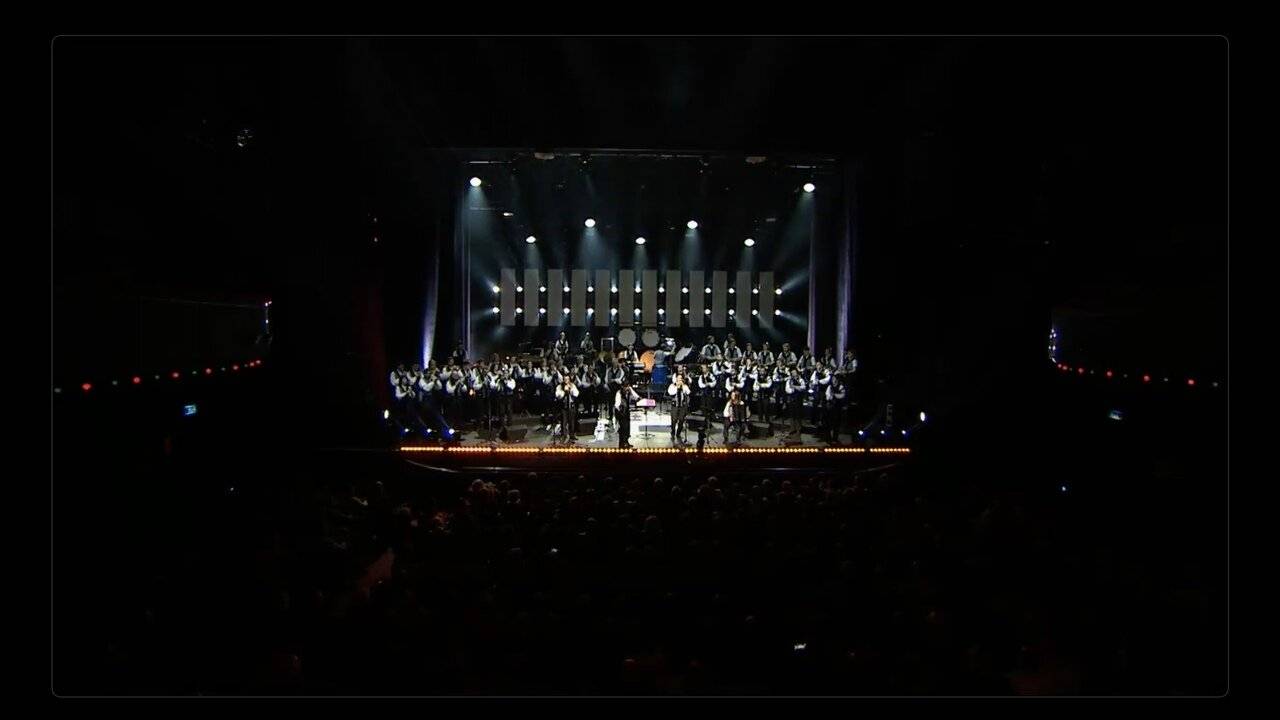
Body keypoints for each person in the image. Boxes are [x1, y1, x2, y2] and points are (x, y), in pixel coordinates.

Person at [667, 370, 693, 444]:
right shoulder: (672, 386)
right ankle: (673, 431)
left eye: (680, 379)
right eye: (678, 379)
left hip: (682, 406)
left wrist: (684, 387)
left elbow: (689, 392)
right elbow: (670, 393)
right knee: (674, 420)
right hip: (675, 405)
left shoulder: (684, 386)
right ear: (676, 379)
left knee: (681, 420)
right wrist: (677, 387)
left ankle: (678, 433)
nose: (679, 380)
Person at [614, 380, 641, 449]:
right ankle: (621, 444)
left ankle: (626, 442)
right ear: (622, 386)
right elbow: (617, 405)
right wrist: (620, 413)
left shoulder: (629, 390)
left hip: (626, 411)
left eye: (628, 386)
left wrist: (633, 393)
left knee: (627, 428)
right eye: (625, 386)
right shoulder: (619, 393)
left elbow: (636, 397)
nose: (627, 388)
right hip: (620, 412)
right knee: (623, 428)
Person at [554, 374, 580, 442]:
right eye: (565, 379)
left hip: (571, 405)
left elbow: (576, 394)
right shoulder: (559, 386)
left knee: (572, 422)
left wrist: (571, 389)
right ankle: (564, 435)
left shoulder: (572, 385)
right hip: (564, 406)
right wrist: (564, 391)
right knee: (564, 422)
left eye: (567, 379)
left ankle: (572, 435)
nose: (566, 381)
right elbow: (557, 395)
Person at [785, 368, 808, 437]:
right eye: (792, 373)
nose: (793, 374)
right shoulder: (789, 380)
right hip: (792, 399)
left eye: (795, 372)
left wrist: (794, 387)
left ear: (797, 373)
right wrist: (795, 389)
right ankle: (792, 429)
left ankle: (798, 429)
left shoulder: (801, 380)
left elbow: (803, 388)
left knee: (798, 415)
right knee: (792, 415)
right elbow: (787, 389)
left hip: (799, 399)